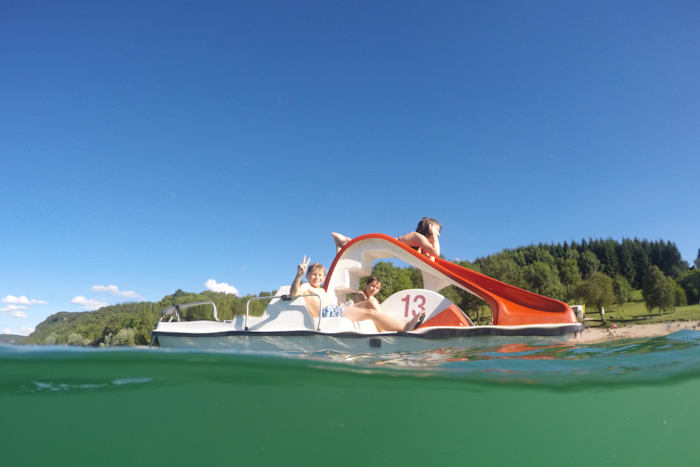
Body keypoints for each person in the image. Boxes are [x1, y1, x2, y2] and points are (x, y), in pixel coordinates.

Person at [290, 257, 423, 332]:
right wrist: (298, 276)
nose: (316, 277)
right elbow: (294, 293)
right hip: (329, 313)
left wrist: (338, 305)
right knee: (370, 313)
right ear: (307, 276)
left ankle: (383, 328)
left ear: (324, 278)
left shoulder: (321, 290)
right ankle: (404, 328)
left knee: (372, 302)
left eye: (320, 275)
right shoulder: (306, 286)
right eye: (313, 274)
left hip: (335, 310)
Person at [331, 217, 442, 259]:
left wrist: (433, 238)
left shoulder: (421, 245)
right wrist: (435, 235)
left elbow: (430, 260)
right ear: (429, 229)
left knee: (346, 256)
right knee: (354, 250)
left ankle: (340, 245)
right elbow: (435, 252)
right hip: (382, 245)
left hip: (385, 249)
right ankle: (348, 241)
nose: (438, 234)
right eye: (436, 230)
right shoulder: (417, 236)